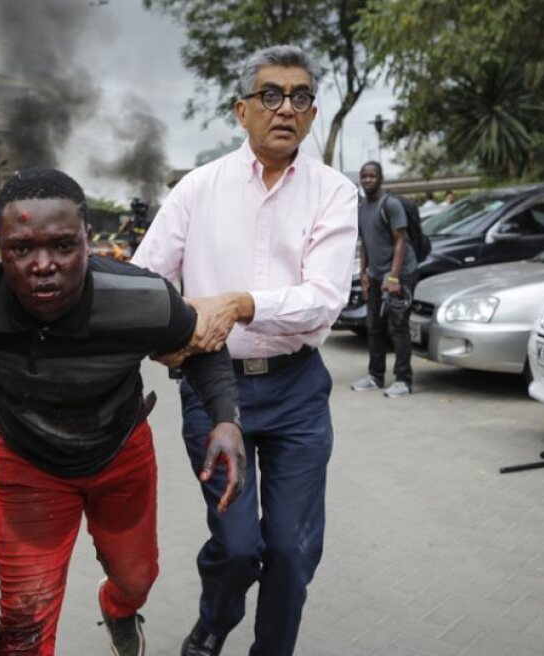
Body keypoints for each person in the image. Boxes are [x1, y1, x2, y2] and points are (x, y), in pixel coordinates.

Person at [0, 167, 246, 656]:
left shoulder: (143, 298)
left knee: (137, 580)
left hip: (121, 460)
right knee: (24, 622)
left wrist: (225, 419)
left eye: (63, 246)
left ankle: (117, 608)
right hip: (28, 470)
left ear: (88, 242)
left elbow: (203, 347)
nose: (43, 265)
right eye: (21, 249)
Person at [130, 45, 358, 656]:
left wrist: (238, 303)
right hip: (213, 394)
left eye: (301, 96)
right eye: (271, 95)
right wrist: (165, 339)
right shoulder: (197, 189)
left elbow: (324, 298)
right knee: (237, 546)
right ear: (242, 110)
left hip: (297, 393)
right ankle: (216, 618)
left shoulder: (335, 194)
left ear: (312, 114)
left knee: (290, 548)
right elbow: (143, 280)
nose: (286, 107)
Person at [351, 161, 418, 398]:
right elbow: (366, 243)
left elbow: (400, 240)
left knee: (398, 327)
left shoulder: (390, 204)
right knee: (373, 326)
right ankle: (375, 376)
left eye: (372, 176)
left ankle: (403, 380)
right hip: (377, 276)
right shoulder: (361, 208)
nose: (368, 180)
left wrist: (393, 276)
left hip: (400, 274)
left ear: (380, 179)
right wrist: (364, 272)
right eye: (364, 176)